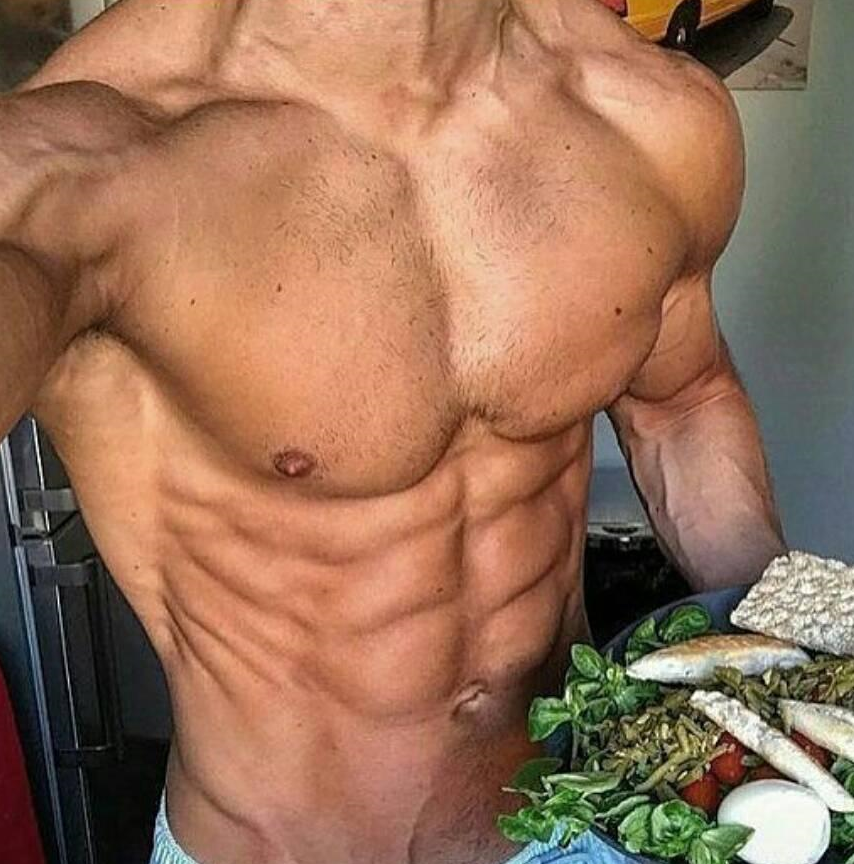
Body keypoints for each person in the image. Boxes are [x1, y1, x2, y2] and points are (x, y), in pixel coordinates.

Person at [0, 1, 787, 862]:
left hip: (583, 819)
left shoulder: (649, 115)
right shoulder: (82, 163)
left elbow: (683, 404)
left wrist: (795, 657)